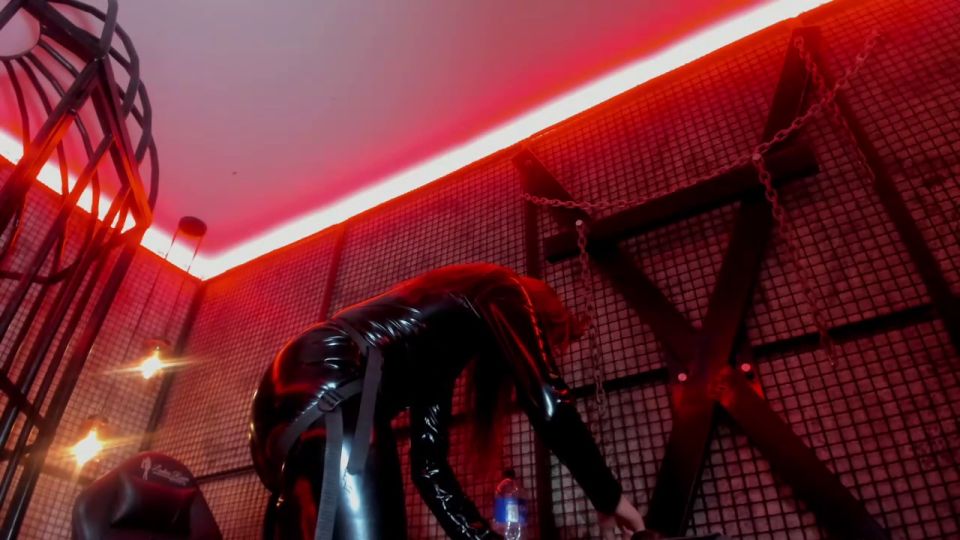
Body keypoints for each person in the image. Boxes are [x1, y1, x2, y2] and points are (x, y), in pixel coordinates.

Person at [249, 263, 647, 539]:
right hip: (327, 380)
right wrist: (609, 498)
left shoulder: (438, 347)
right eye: (543, 342)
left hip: (287, 405)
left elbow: (430, 467)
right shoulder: (503, 288)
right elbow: (549, 401)